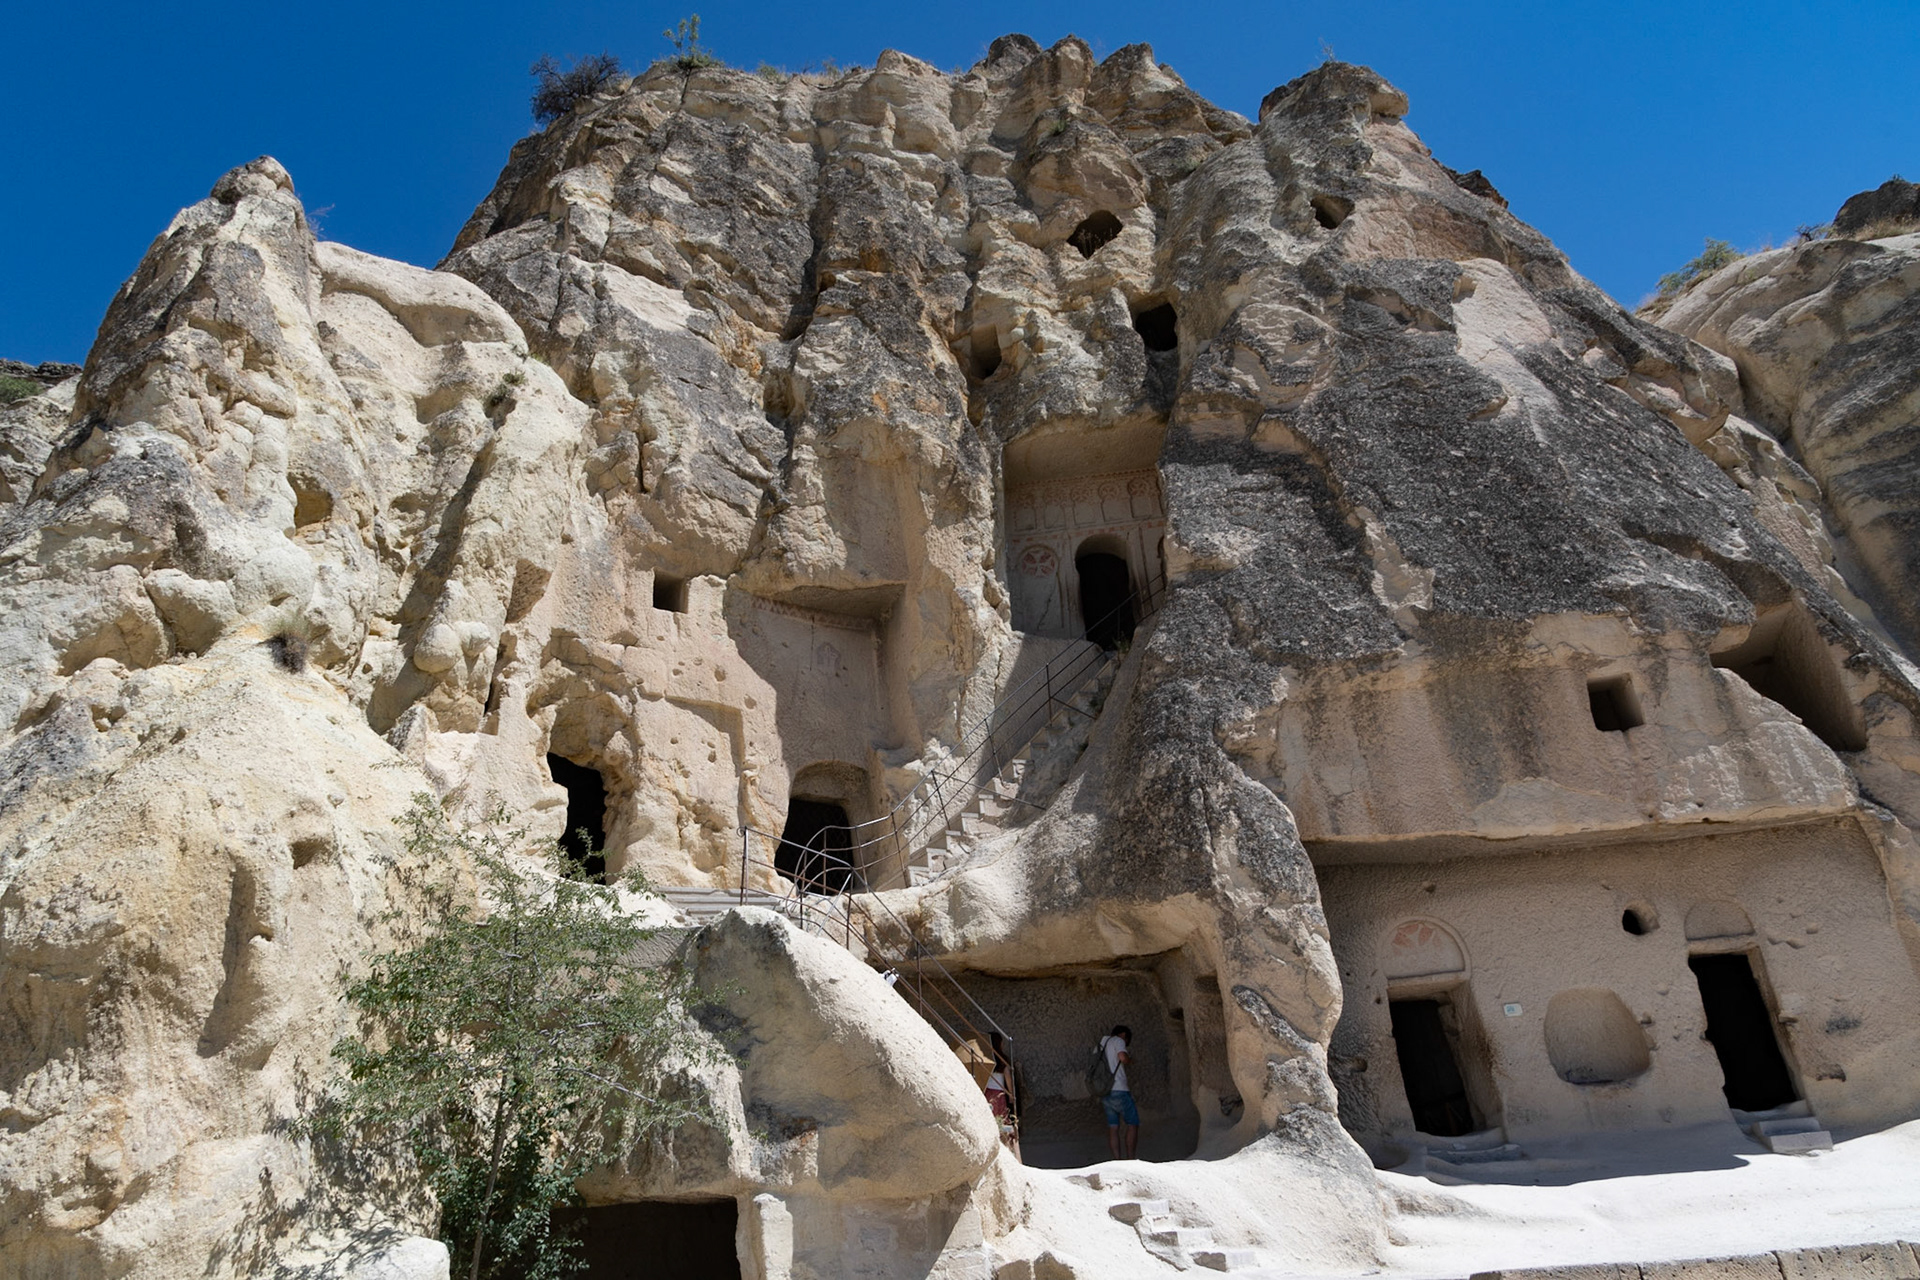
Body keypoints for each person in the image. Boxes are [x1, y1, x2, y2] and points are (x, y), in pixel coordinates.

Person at [1098, 1024, 1137, 1160]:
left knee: (1113, 1127)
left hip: (1105, 1091)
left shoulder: (1101, 1044)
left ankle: (1117, 1159)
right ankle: (1131, 1159)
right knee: (1132, 1124)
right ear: (1123, 1035)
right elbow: (1122, 1057)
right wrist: (1130, 1060)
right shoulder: (1118, 1041)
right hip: (1119, 1088)